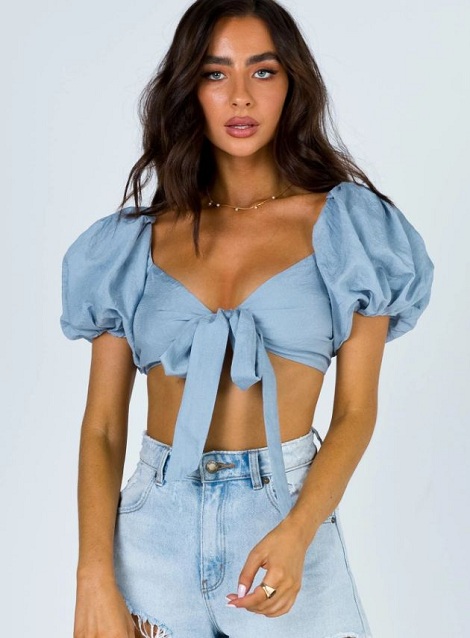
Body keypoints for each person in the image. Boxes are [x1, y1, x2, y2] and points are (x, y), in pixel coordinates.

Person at [60, 1, 434, 637]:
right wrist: (93, 574)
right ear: (189, 89)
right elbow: (101, 427)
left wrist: (297, 531)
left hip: (285, 519)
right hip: (152, 536)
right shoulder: (128, 246)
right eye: (215, 73)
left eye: (263, 71)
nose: (240, 96)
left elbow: (355, 412)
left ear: (292, 85)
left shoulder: (350, 228)